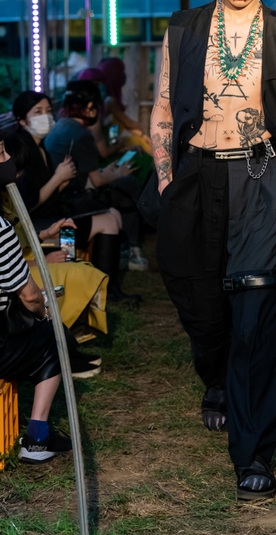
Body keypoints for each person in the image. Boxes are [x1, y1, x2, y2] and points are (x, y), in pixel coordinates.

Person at [150, 0, 276, 500]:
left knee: (257, 312)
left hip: (262, 177)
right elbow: (164, 108)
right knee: (201, 301)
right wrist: (167, 177)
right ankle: (215, 376)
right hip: (196, 175)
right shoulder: (184, 29)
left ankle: (254, 452)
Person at [0, 143, 73, 463]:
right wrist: (46, 313)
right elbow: (29, 295)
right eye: (0, 153)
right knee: (56, 336)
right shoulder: (1, 229)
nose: (7, 159)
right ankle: (38, 438)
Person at [43, 82, 147, 292]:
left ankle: (112, 274)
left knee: (116, 201)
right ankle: (129, 255)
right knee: (126, 190)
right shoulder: (82, 135)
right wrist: (119, 173)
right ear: (90, 108)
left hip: (59, 200)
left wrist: (108, 171)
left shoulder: (61, 126)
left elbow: (86, 173)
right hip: (66, 205)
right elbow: (97, 181)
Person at [97, 57, 152, 156]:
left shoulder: (103, 100)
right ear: (115, 76)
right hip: (114, 147)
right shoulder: (110, 101)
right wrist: (143, 134)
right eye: (121, 72)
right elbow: (130, 124)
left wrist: (142, 134)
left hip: (114, 143)